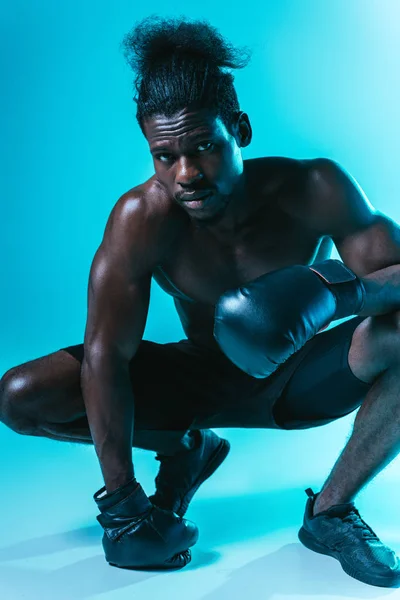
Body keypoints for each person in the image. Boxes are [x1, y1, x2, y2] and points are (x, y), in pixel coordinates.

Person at [2, 14, 400, 587]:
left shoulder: (314, 187)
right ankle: (186, 451)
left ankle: (330, 512)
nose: (186, 174)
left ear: (240, 129)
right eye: (165, 156)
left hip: (300, 379)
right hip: (200, 382)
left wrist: (343, 292)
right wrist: (122, 505)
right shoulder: (142, 219)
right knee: (20, 396)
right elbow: (105, 357)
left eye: (204, 147)